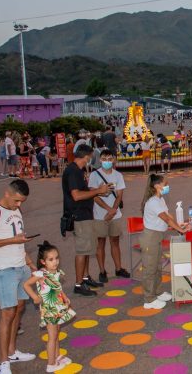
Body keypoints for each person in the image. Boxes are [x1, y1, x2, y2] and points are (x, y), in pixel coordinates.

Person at [0, 179, 37, 374]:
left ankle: (12, 351)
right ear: (7, 193)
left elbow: (20, 241)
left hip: (21, 266)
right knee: (8, 313)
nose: (19, 205)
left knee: (19, 309)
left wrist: (30, 263)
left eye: (22, 202)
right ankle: (3, 362)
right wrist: (11, 240)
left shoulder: (16, 210)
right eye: (17, 200)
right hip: (4, 270)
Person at [62, 144, 109, 297]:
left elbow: (84, 192)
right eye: (91, 156)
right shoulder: (73, 171)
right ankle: (78, 284)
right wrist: (97, 191)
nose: (91, 159)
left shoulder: (79, 171)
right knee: (82, 250)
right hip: (79, 216)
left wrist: (97, 191)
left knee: (88, 248)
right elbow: (76, 195)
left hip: (86, 215)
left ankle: (85, 277)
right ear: (87, 156)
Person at [23, 242, 75, 372]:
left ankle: (57, 357)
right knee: (52, 337)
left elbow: (57, 287)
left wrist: (65, 296)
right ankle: (51, 363)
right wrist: (35, 297)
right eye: (51, 259)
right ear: (43, 261)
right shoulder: (40, 274)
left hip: (58, 307)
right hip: (49, 310)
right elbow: (26, 285)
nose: (55, 262)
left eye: (57, 258)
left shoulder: (56, 272)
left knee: (57, 333)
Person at [140, 174, 189, 309]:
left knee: (157, 266)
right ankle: (149, 299)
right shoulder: (153, 202)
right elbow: (165, 219)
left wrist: (180, 225)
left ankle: (158, 291)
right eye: (165, 184)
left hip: (157, 236)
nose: (167, 186)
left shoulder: (160, 199)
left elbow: (169, 216)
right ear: (157, 186)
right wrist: (180, 230)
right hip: (150, 237)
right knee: (150, 268)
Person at [88, 150, 130, 283]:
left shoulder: (118, 175)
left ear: (114, 160)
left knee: (115, 241)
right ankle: (102, 271)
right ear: (100, 160)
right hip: (100, 215)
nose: (107, 161)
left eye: (110, 159)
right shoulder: (94, 175)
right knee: (100, 243)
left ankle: (118, 268)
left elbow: (119, 195)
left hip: (115, 215)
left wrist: (113, 210)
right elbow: (93, 195)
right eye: (104, 158)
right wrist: (108, 209)